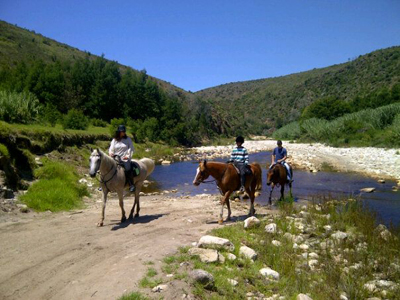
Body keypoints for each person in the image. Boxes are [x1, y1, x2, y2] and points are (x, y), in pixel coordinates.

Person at [109, 125, 136, 192]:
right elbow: (111, 148)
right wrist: (111, 153)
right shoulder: (114, 140)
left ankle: (131, 184)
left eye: (124, 131)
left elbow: (131, 148)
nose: (123, 133)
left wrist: (127, 155)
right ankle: (103, 184)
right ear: (119, 132)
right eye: (122, 131)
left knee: (128, 169)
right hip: (115, 157)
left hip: (124, 157)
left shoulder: (128, 139)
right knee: (107, 167)